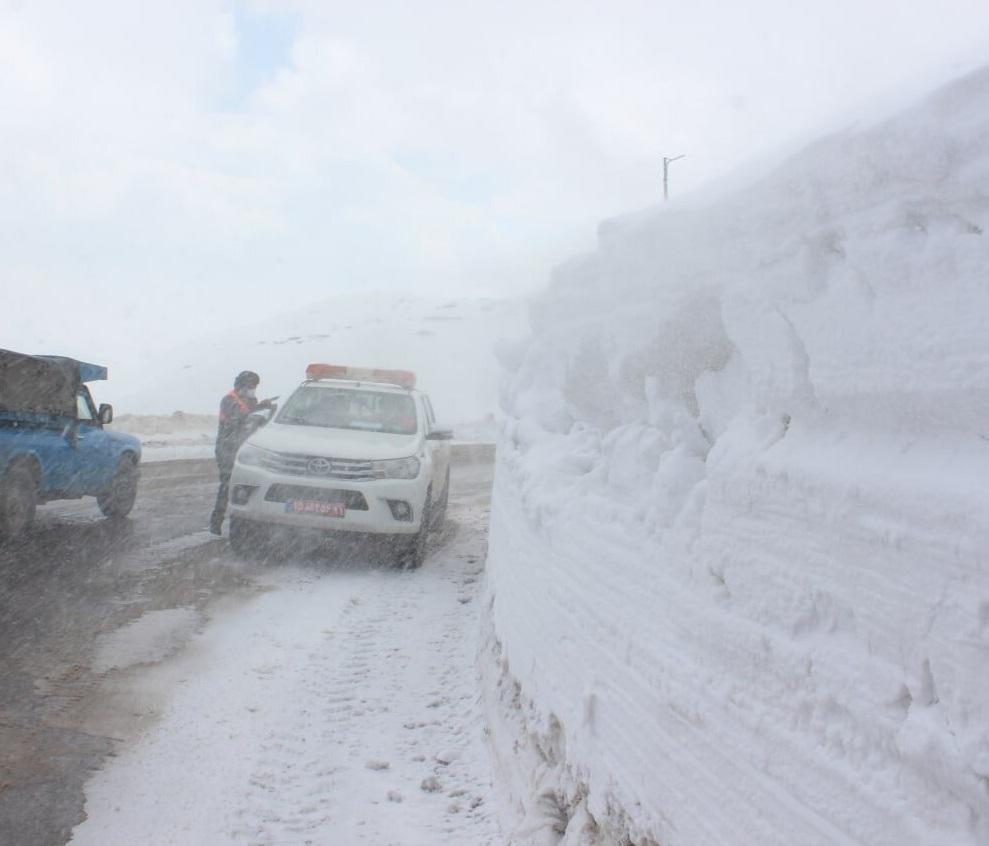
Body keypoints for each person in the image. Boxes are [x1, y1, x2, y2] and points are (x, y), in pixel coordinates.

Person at [209, 371, 273, 535]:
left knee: (244, 485)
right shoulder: (229, 400)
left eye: (255, 387)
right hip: (226, 449)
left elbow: (251, 418)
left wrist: (261, 407)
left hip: (243, 448)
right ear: (242, 386)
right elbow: (235, 421)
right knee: (227, 485)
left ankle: (241, 521)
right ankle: (216, 522)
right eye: (251, 386)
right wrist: (256, 410)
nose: (253, 390)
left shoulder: (250, 400)